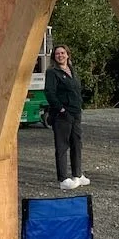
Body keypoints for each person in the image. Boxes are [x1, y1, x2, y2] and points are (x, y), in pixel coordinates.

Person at [44, 44, 88, 191]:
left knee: (77, 143)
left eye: (63, 53)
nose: (60, 55)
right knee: (62, 146)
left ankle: (77, 174)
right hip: (62, 114)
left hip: (76, 113)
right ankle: (63, 178)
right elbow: (50, 93)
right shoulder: (52, 72)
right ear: (54, 57)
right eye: (57, 54)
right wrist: (61, 109)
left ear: (68, 55)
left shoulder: (72, 70)